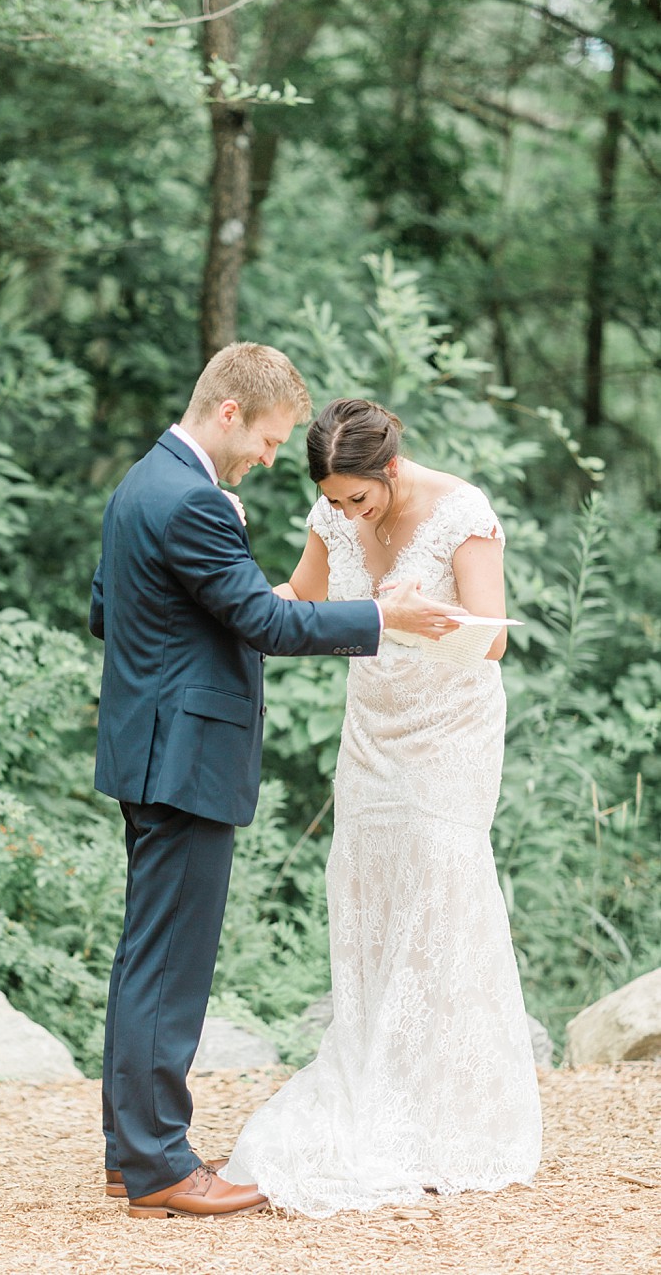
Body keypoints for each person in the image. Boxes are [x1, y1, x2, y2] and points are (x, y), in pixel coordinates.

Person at [88, 347, 465, 1221]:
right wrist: (384, 615)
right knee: (171, 966)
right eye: (268, 437)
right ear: (229, 413)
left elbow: (112, 607)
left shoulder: (144, 482)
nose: (269, 456)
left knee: (148, 954)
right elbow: (260, 621)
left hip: (148, 746)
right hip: (184, 758)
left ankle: (130, 1149)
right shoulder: (190, 500)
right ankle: (157, 1167)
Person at [223, 397, 543, 1216]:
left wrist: (405, 620)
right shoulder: (331, 514)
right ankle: (380, 1082)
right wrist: (217, 600)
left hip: (449, 730)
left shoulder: (461, 510)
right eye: (333, 499)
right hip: (373, 730)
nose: (344, 512)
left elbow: (494, 635)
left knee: (442, 893)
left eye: (357, 499)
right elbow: (299, 594)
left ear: (391, 470)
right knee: (370, 892)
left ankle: (453, 1114)